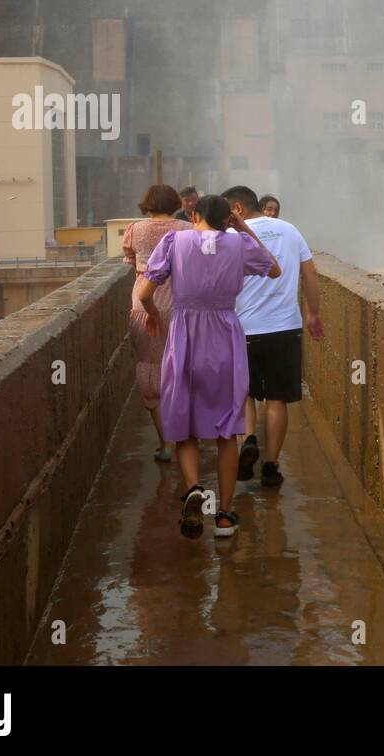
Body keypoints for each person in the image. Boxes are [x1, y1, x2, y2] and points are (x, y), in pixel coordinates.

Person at [136, 194, 282, 539]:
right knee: (226, 429)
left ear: (193, 213)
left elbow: (144, 294)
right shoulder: (238, 245)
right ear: (226, 219)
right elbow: (274, 269)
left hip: (185, 334)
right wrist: (242, 227)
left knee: (184, 423)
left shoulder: (174, 241)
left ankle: (192, 490)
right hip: (224, 336)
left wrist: (155, 316)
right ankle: (226, 515)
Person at [220, 185, 323, 488]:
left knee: (245, 393)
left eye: (227, 212)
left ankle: (249, 438)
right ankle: (271, 465)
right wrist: (313, 313)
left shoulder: (230, 237)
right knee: (277, 398)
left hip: (243, 327)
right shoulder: (290, 230)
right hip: (284, 326)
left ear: (237, 208)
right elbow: (311, 274)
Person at [122, 184, 191, 463]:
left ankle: (165, 444)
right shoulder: (187, 230)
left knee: (151, 368)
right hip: (179, 304)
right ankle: (184, 437)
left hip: (144, 305)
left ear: (147, 203)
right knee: (179, 371)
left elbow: (130, 261)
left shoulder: (135, 229)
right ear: (175, 203)